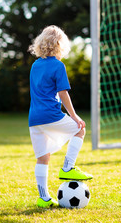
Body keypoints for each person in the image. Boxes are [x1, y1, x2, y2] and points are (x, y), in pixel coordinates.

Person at [28, 25, 93, 208]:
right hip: (50, 114)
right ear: (60, 45)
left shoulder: (35, 65)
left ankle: (44, 198)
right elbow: (63, 93)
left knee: (43, 157)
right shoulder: (58, 65)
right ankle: (68, 167)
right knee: (79, 129)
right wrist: (75, 116)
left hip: (34, 119)